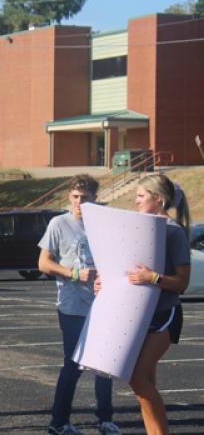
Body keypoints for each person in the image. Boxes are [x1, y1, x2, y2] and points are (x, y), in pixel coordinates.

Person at [38, 174, 122, 435]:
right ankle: (58, 422)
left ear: (94, 199)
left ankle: (105, 419)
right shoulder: (58, 224)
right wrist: (74, 274)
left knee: (104, 364)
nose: (78, 202)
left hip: (102, 303)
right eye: (74, 197)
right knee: (72, 365)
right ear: (69, 197)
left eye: (84, 198)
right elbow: (43, 263)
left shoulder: (103, 225)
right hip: (72, 305)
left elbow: (115, 260)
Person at [123, 174, 190, 434]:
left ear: (158, 199)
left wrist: (152, 277)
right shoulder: (142, 229)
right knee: (144, 386)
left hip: (165, 315)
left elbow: (182, 282)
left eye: (141, 196)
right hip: (141, 314)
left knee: (137, 378)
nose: (136, 201)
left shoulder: (173, 232)